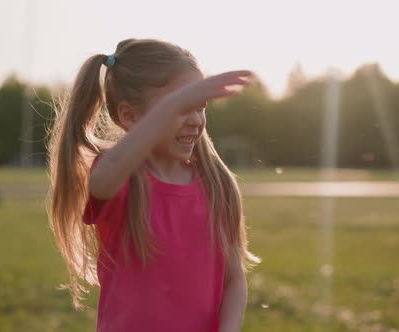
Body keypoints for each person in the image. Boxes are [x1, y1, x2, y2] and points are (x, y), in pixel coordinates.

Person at [47, 38, 260, 332]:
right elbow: (101, 183)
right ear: (129, 116)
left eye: (200, 107)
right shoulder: (121, 179)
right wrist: (176, 103)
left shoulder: (215, 185)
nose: (196, 120)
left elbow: (234, 280)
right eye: (180, 108)